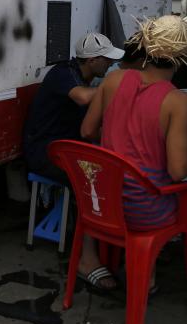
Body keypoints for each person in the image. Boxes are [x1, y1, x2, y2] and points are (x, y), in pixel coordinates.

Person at [81, 16, 187, 291]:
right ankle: (148, 273)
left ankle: (137, 264)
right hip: (144, 212)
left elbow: (87, 131)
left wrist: (118, 140)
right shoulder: (176, 100)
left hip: (102, 202)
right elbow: (178, 171)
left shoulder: (114, 79)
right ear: (183, 56)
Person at [21, 30, 124, 291]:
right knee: (93, 182)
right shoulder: (63, 74)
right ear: (91, 61)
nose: (110, 64)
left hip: (67, 148)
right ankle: (87, 260)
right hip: (45, 152)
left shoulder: (84, 77)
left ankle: (110, 238)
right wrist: (119, 87)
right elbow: (83, 98)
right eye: (106, 60)